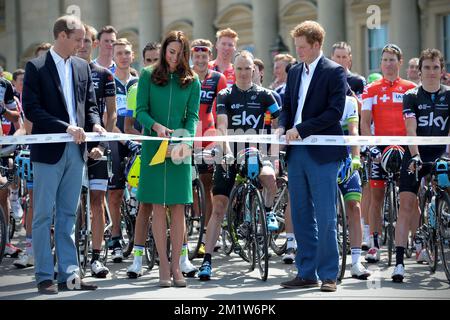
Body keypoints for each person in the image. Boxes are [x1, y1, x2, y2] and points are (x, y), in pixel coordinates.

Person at [22, 15, 106, 295]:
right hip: (49, 151)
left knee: (69, 215)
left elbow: (90, 105)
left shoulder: (83, 67)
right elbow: (32, 109)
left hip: (77, 151)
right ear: (62, 36)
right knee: (43, 215)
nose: (83, 44)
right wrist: (66, 127)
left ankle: (69, 274)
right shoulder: (35, 67)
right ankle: (44, 275)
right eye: (79, 39)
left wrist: (94, 124)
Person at [197, 50, 280, 281]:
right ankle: (207, 261)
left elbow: (277, 124)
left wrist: (273, 155)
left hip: (256, 152)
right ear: (234, 71)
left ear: (254, 70)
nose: (244, 73)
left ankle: (269, 212)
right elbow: (222, 125)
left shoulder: (265, 95)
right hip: (230, 154)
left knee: (270, 179)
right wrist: (225, 154)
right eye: (240, 69)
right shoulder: (225, 94)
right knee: (219, 208)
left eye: (248, 68)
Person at [278, 21, 347, 293]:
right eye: (297, 47)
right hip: (296, 151)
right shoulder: (294, 71)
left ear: (317, 45)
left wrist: (301, 129)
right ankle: (306, 272)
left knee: (326, 215)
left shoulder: (334, 71)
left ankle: (329, 274)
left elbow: (335, 112)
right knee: (302, 214)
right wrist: (284, 126)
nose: (299, 52)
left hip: (322, 152)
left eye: (303, 47)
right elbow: (287, 107)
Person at [136, 30, 200, 288]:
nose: (174, 57)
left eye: (180, 53)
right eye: (171, 51)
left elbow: (192, 117)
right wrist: (156, 127)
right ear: (164, 51)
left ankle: (176, 266)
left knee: (178, 207)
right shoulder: (148, 75)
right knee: (158, 207)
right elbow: (140, 111)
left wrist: (186, 140)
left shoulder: (192, 80)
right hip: (154, 146)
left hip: (180, 147)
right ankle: (163, 263)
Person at [392, 49, 450, 282]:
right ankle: (398, 264)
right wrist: (415, 156)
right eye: (427, 67)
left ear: (442, 70)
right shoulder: (412, 96)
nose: (431, 72)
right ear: (420, 70)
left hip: (441, 153)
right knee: (406, 203)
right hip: (415, 153)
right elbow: (410, 129)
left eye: (436, 67)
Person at [361, 44, 416, 263]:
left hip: (405, 148)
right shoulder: (371, 88)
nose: (388, 64)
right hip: (380, 147)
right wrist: (372, 147)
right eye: (385, 60)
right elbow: (365, 123)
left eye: (392, 60)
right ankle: (375, 244)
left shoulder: (411, 88)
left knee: (411, 199)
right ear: (381, 63)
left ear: (400, 62)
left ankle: (417, 241)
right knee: (377, 197)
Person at [77, 24, 117, 277]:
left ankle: (95, 257)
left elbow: (111, 113)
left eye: (87, 41)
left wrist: (102, 145)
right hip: (71, 146)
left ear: (94, 44)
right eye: (78, 41)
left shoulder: (104, 74)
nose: (82, 45)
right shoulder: (67, 73)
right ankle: (71, 253)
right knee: (72, 202)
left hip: (97, 147)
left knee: (97, 200)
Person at [253, 57, 297, 264]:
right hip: (260, 145)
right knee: (263, 183)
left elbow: (279, 121)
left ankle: (289, 240)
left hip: (284, 144)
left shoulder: (274, 95)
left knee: (286, 189)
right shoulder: (277, 92)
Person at [190, 38, 227, 260]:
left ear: (209, 57)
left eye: (204, 56)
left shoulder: (217, 79)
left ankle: (209, 235)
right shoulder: (186, 77)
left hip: (209, 136)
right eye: (197, 56)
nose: (201, 60)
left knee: (208, 186)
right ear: (192, 57)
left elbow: (222, 110)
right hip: (187, 135)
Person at [108, 38, 140, 263]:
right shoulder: (107, 80)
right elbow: (107, 117)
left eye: (127, 53)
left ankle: (141, 238)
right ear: (113, 56)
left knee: (142, 192)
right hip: (116, 139)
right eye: (119, 53)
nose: (123, 57)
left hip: (138, 137)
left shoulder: (139, 82)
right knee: (116, 193)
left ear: (132, 56)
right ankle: (116, 239)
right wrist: (124, 140)